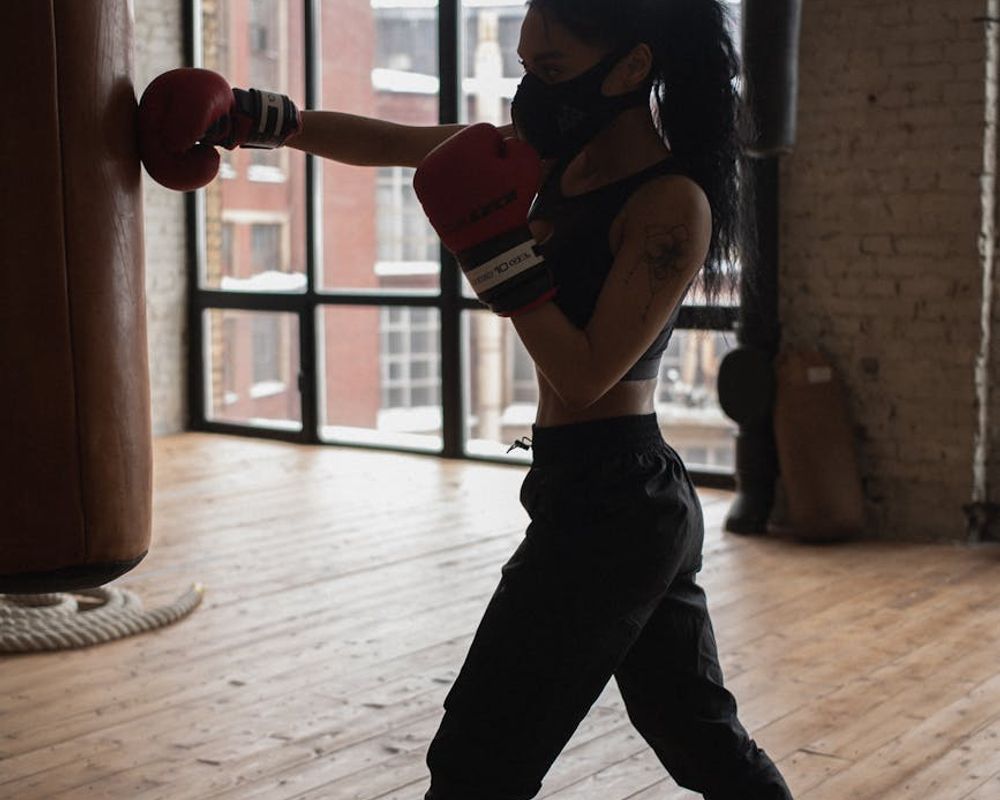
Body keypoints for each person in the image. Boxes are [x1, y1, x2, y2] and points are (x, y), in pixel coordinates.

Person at [137, 1, 793, 796]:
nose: (532, 88)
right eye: (525, 66)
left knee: (477, 763)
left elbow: (584, 373)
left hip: (618, 504)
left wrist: (491, 250)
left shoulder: (671, 205)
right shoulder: (556, 156)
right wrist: (260, 119)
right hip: (587, 486)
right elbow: (394, 143)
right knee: (700, 739)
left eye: (551, 69)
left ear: (631, 66)